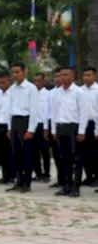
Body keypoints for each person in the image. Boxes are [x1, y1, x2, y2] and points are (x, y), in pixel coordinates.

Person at [51, 67, 88, 197]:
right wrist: (53, 130)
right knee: (64, 159)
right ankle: (66, 184)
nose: (63, 77)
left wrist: (82, 131)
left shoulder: (79, 92)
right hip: (61, 127)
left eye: (66, 74)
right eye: (61, 75)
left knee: (76, 158)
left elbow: (83, 113)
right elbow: (54, 112)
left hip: (73, 128)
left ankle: (76, 186)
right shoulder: (56, 93)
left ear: (72, 76)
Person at [4, 62, 40, 193]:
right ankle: (18, 181)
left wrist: (31, 129)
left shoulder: (31, 88)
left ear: (24, 72)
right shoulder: (12, 89)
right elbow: (9, 109)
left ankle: (27, 183)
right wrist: (9, 127)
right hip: (14, 122)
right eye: (13, 72)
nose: (15, 75)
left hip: (26, 121)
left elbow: (34, 110)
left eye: (17, 72)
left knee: (26, 154)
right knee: (15, 154)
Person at [79, 66, 98, 187]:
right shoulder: (79, 91)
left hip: (94, 124)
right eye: (84, 75)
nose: (86, 77)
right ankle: (89, 176)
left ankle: (97, 176)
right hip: (82, 124)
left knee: (95, 153)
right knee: (84, 152)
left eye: (89, 75)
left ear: (95, 76)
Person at [33, 72, 52, 181]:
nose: (36, 83)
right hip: (33, 125)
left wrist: (46, 128)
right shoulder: (32, 93)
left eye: (39, 81)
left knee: (44, 151)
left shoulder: (48, 94)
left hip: (43, 125)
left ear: (43, 81)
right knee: (34, 151)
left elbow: (48, 112)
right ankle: (38, 173)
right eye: (34, 81)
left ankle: (46, 173)